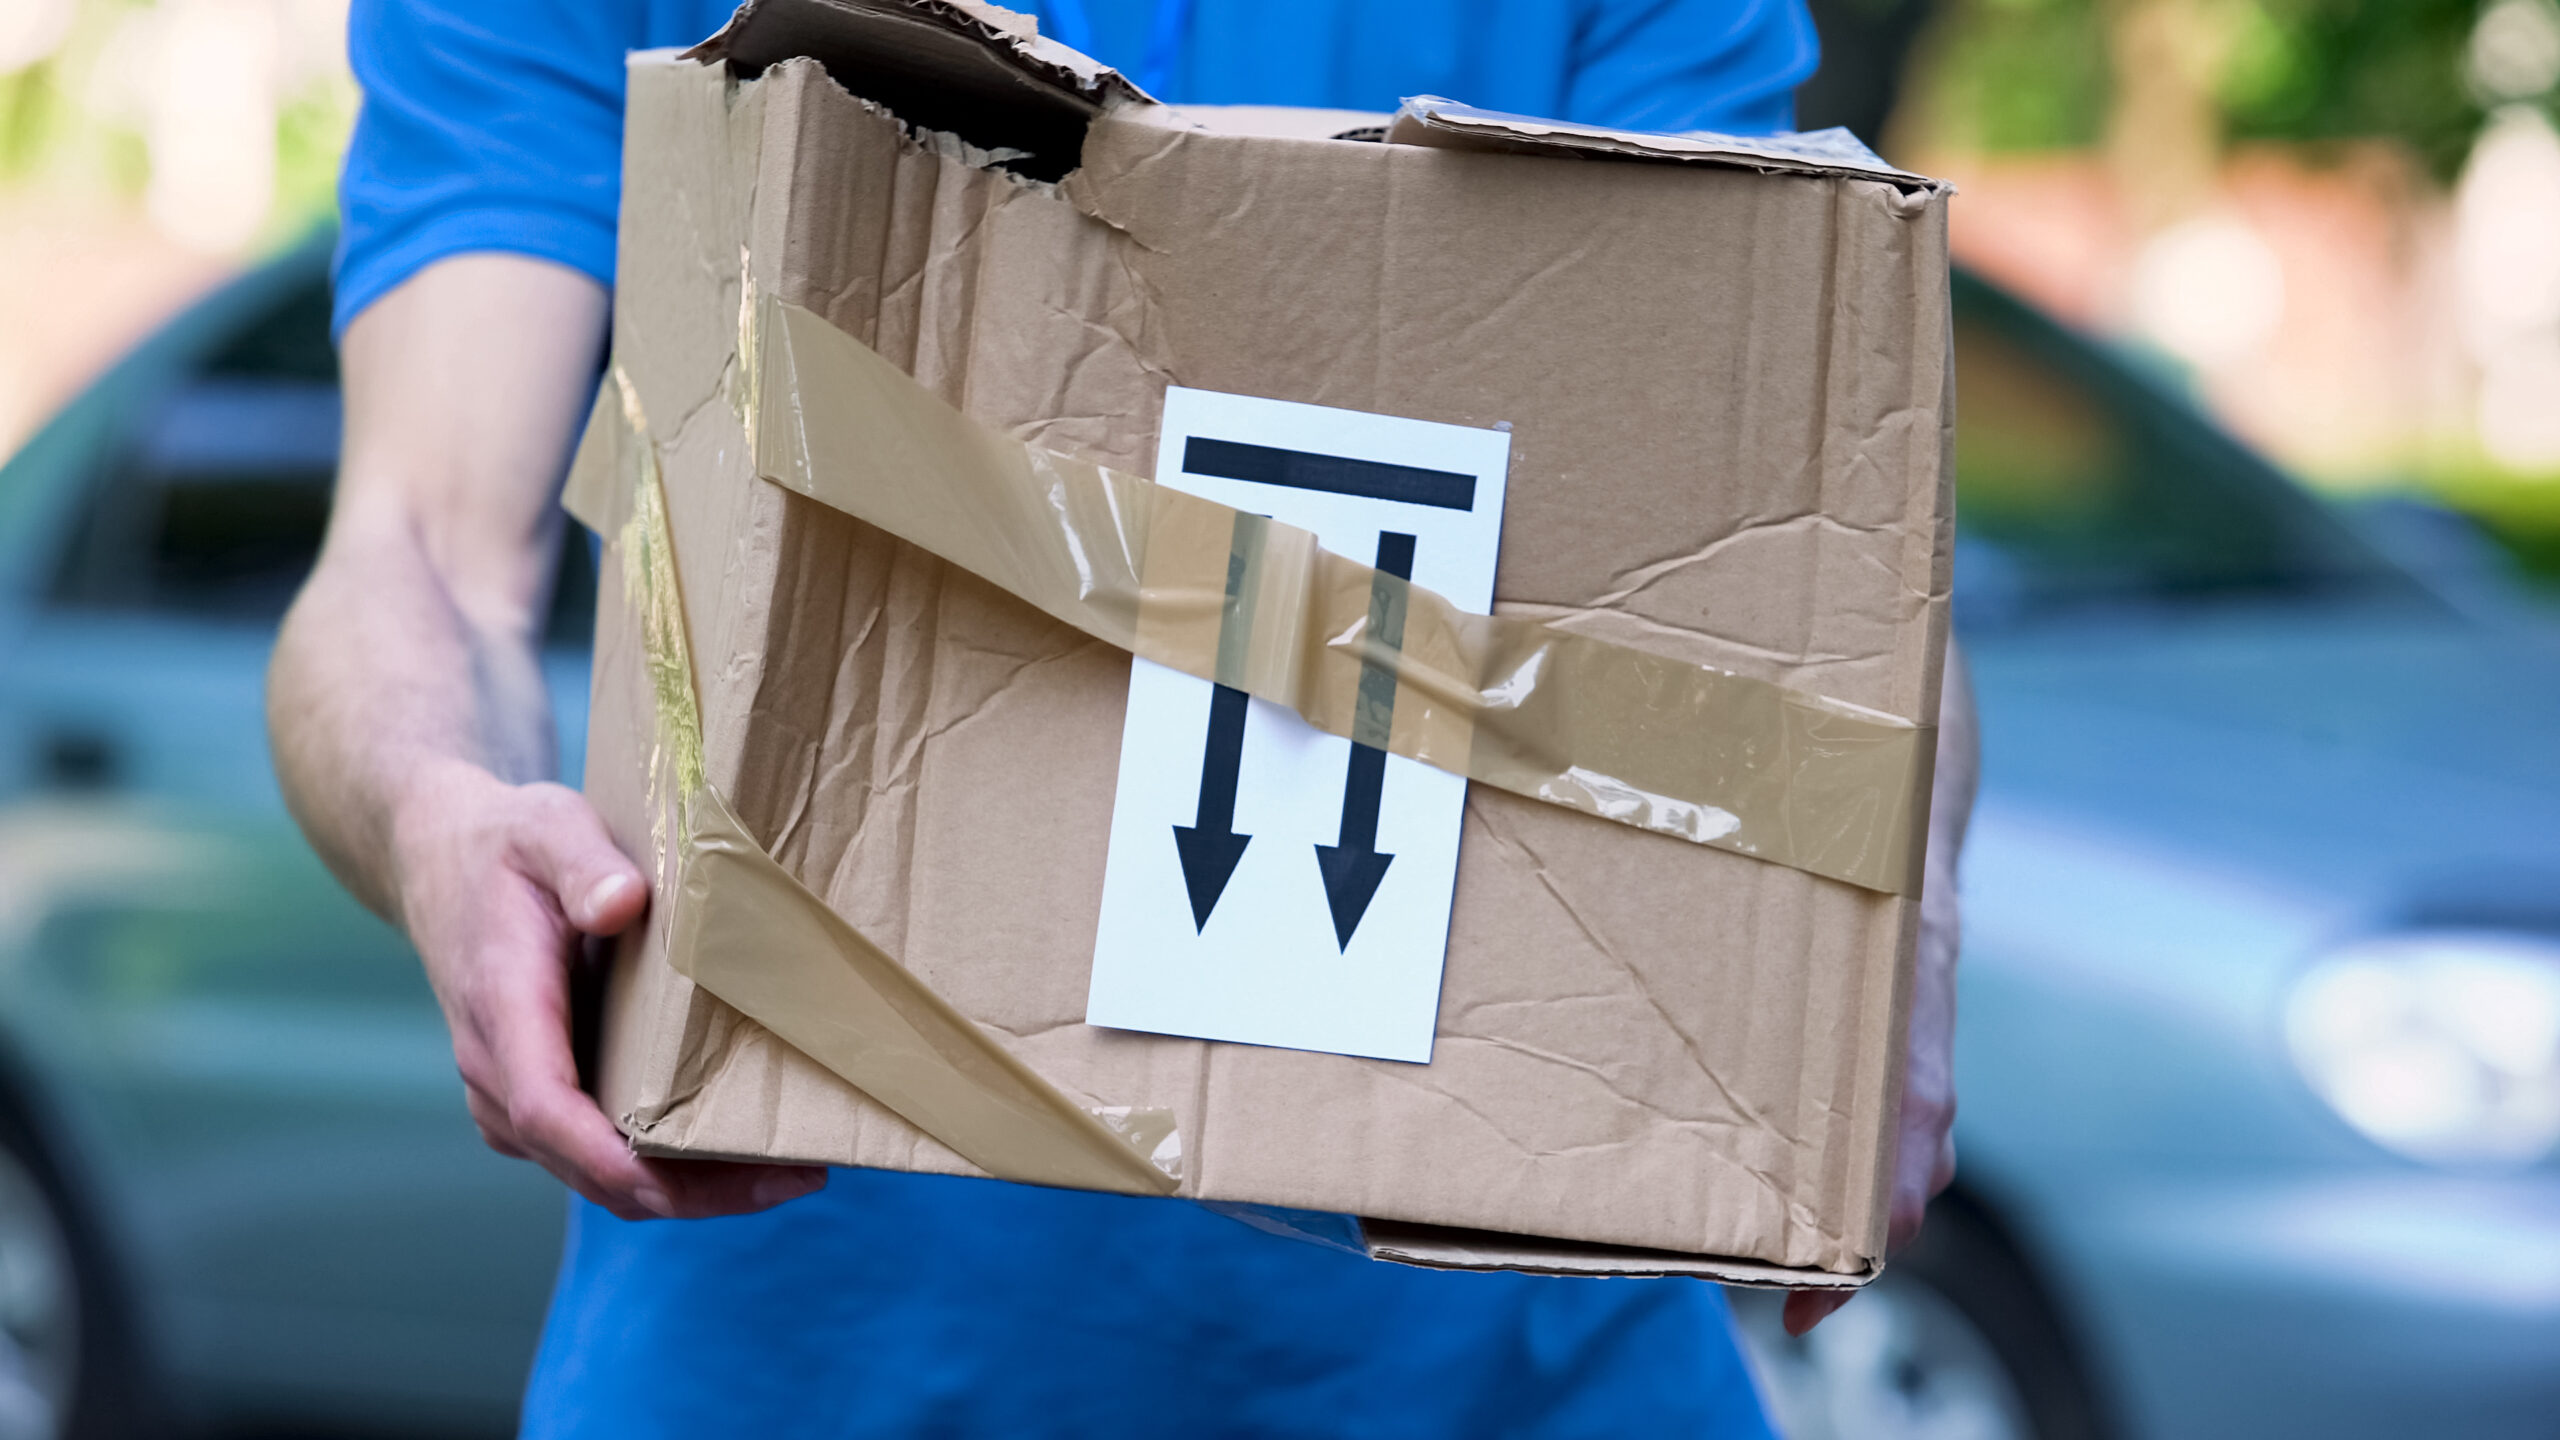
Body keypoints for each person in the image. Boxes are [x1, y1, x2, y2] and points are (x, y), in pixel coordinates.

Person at [268, 1, 1977, 1433]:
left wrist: (1891, 934)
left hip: (1523, 1374)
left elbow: (1812, 530)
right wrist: (440, 810)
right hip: (781, 1370)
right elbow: (417, 550)